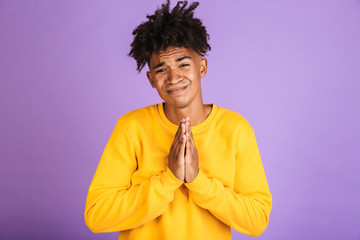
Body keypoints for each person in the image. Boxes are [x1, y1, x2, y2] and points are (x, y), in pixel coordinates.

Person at [84, 1, 272, 239]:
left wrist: (197, 181)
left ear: (202, 66)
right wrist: (168, 179)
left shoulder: (236, 130)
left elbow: (257, 220)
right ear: (151, 79)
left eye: (183, 64)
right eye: (162, 70)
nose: (174, 77)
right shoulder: (131, 128)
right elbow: (97, 215)